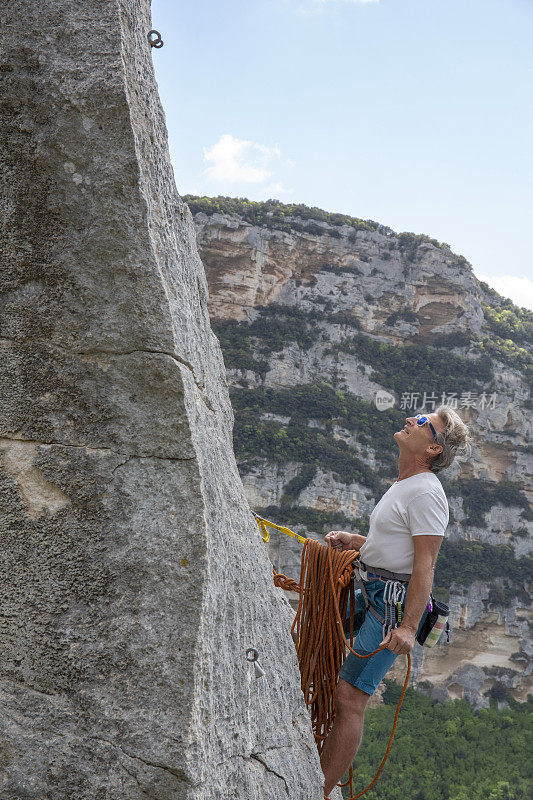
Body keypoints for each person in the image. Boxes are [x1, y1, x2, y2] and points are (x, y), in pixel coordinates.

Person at [320, 405, 470, 797]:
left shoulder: (426, 494)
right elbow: (395, 546)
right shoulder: (405, 483)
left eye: (424, 423)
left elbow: (424, 567)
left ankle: (318, 789)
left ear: (434, 449)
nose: (412, 419)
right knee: (322, 644)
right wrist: (356, 543)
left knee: (351, 697)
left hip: (391, 603)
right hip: (372, 585)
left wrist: (406, 627)